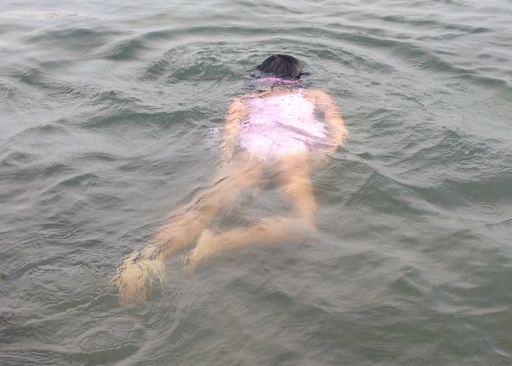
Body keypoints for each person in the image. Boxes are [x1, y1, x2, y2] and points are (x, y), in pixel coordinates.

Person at [113, 54, 348, 304]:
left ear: (260, 75)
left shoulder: (244, 100)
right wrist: (323, 156)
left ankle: (147, 257)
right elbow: (339, 131)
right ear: (298, 78)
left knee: (207, 203)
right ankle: (218, 243)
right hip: (291, 155)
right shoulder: (315, 95)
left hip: (253, 150)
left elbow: (228, 138)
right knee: (304, 224)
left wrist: (225, 169)